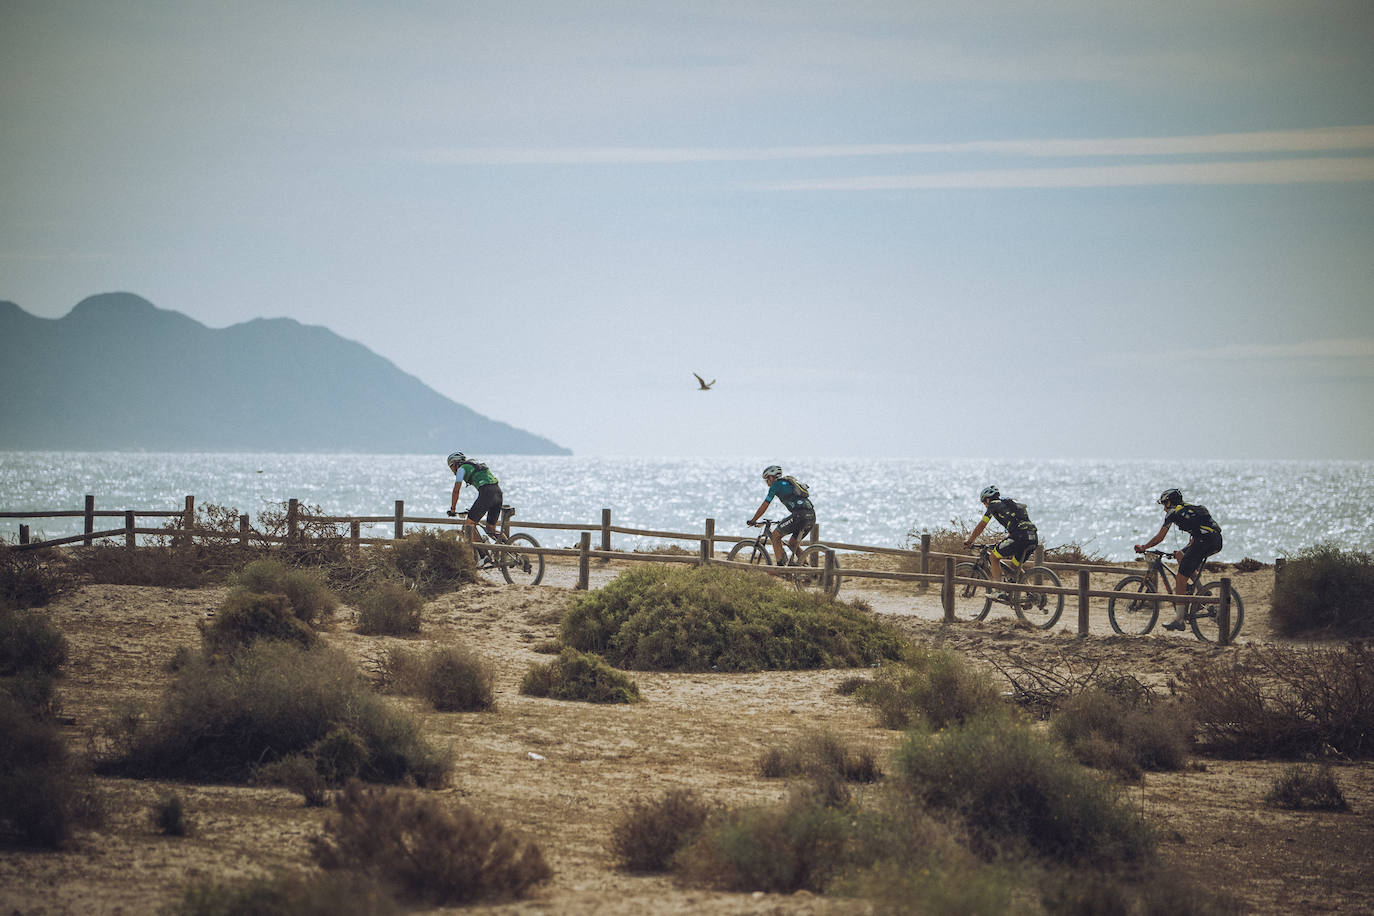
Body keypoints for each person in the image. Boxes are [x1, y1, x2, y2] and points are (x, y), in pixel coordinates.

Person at [1134, 488, 1223, 631]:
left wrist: (1143, 547)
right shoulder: (1189, 510)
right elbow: (1198, 532)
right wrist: (1183, 551)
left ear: (1170, 502)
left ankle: (1179, 620)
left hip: (1204, 542)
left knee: (1180, 579)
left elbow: (1159, 537)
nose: (1164, 508)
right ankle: (1202, 592)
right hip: (1216, 540)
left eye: (1164, 504)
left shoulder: (1173, 513)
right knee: (1181, 556)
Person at [962, 485, 1039, 591]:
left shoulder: (993, 505)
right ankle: (1031, 593)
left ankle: (999, 590)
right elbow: (1018, 523)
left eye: (984, 503)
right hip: (1032, 537)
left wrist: (970, 540)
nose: (985, 506)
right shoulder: (1010, 503)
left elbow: (982, 524)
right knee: (1014, 567)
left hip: (1019, 537)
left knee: (993, 557)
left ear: (988, 499)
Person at [747, 465, 815, 565]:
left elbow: (764, 505)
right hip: (811, 516)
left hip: (799, 516)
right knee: (792, 544)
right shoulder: (787, 482)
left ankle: (780, 568)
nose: (767, 482)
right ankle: (807, 569)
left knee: (775, 536)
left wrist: (754, 520)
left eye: (767, 479)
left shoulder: (775, 485)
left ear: (771, 477)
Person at [445, 451, 504, 544]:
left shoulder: (461, 469)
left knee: (469, 525)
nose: (452, 470)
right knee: (491, 528)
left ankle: (484, 555)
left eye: (451, 466)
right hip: (498, 492)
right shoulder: (475, 464)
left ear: (456, 464)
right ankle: (512, 548)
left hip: (487, 493)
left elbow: (456, 491)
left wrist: (453, 509)